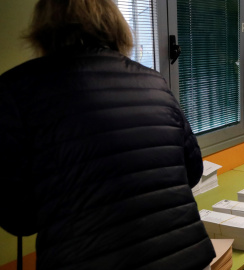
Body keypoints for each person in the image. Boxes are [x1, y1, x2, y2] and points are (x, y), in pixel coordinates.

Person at [0, 1, 215, 269]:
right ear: (116, 25)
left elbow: (19, 219)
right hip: (185, 257)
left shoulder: (14, 91)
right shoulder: (155, 83)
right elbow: (192, 171)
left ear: (44, 27)